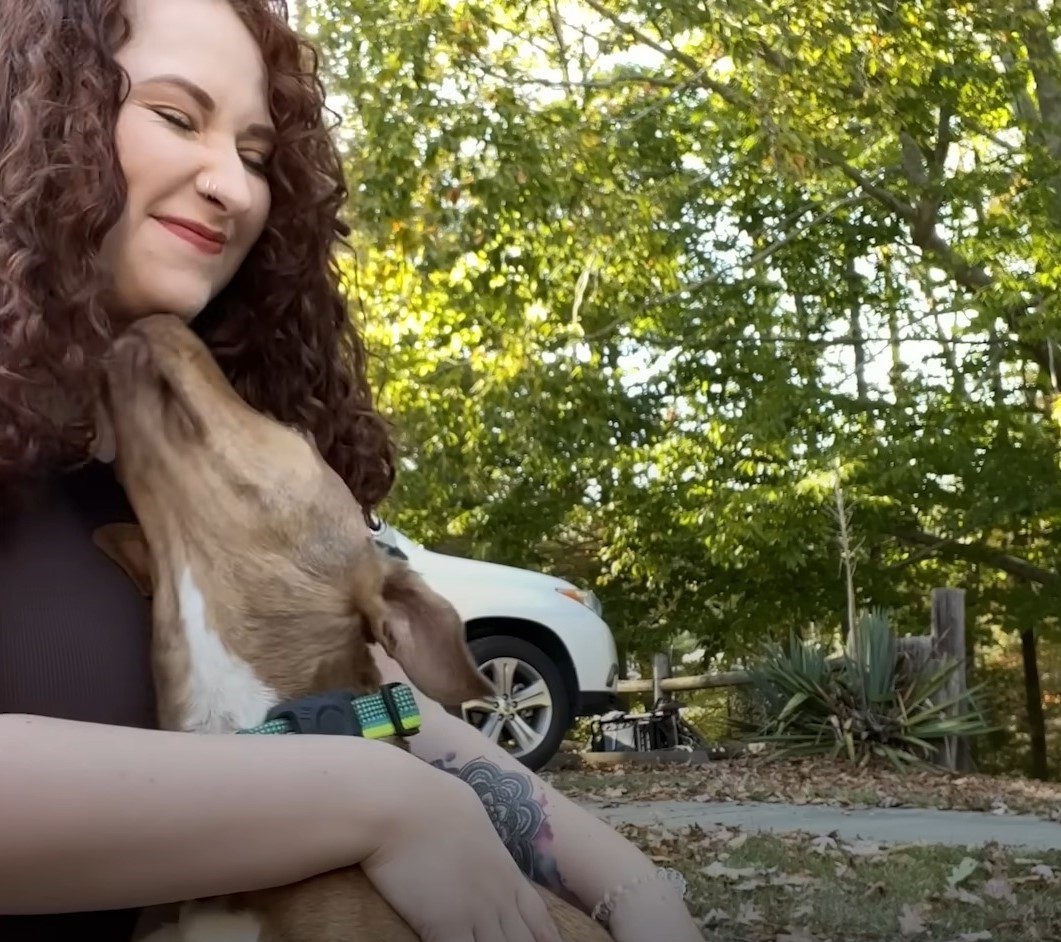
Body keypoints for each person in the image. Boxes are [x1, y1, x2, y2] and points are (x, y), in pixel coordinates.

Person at [0, 1, 704, 941]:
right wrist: (372, 801)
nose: (233, 188)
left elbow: (375, 711)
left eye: (255, 155)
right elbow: (361, 761)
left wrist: (636, 893)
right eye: (178, 117)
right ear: (39, 113)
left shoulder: (152, 475)